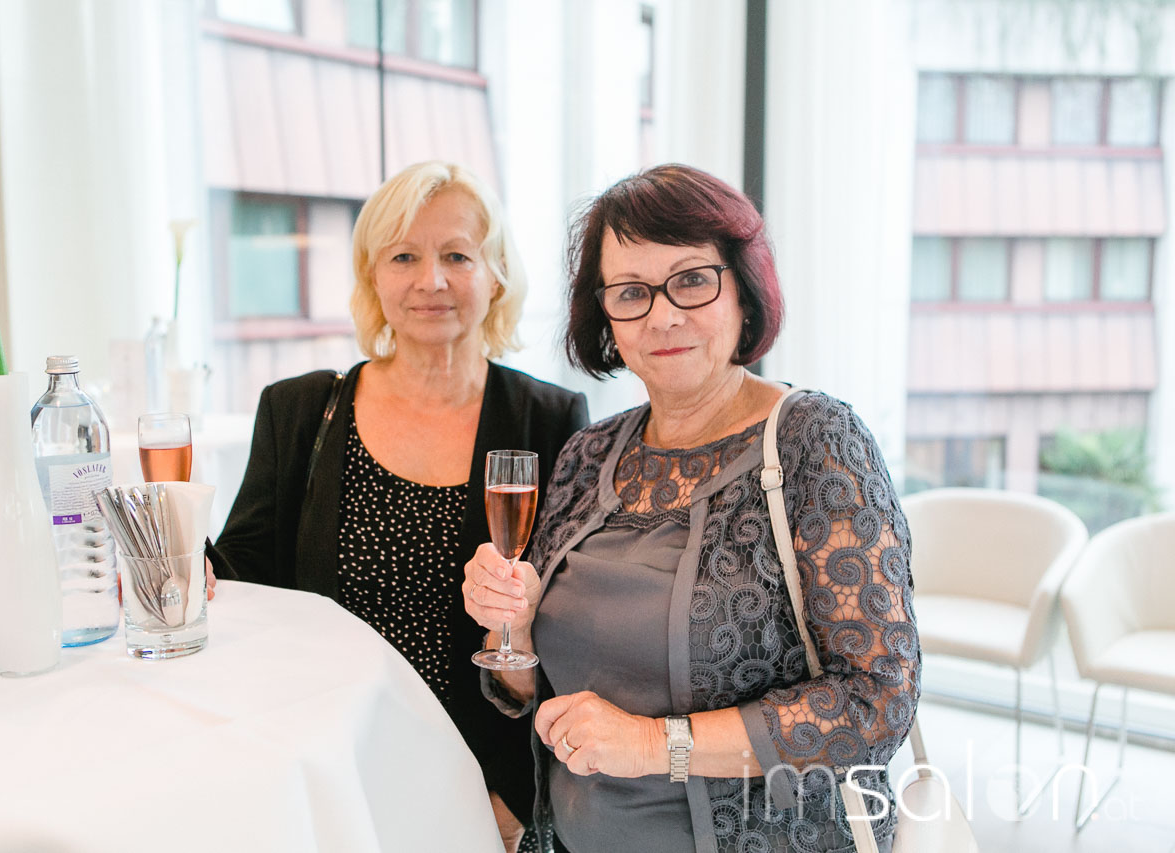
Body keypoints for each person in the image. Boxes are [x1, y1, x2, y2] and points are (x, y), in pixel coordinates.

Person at [462, 164, 920, 853]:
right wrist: (515, 629)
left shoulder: (813, 441)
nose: (663, 315)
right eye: (631, 292)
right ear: (606, 318)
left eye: (693, 280)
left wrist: (654, 744)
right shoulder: (589, 455)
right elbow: (529, 692)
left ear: (744, 291)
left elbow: (877, 700)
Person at [208, 161, 589, 851]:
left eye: (457, 256)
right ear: (372, 277)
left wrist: (510, 797)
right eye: (404, 257)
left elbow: (570, 632)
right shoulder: (300, 411)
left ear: (497, 274)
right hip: (330, 779)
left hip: (482, 791)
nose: (431, 280)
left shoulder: (549, 419)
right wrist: (174, 559)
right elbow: (240, 578)